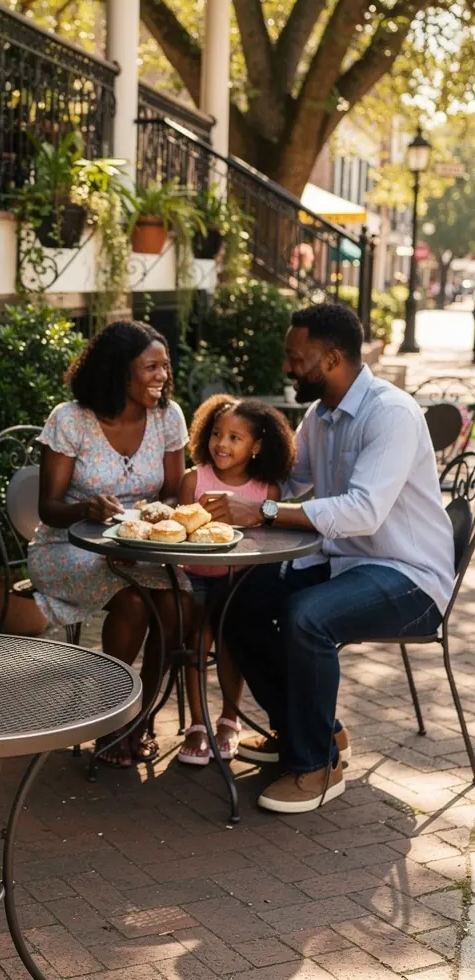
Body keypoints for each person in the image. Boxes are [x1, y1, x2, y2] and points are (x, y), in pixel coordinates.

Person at [209, 303, 453, 813]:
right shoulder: (321, 416)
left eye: (297, 358)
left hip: (408, 573)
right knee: (238, 602)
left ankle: (317, 766)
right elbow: (292, 483)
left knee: (307, 618)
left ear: (333, 358)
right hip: (347, 560)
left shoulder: (390, 414)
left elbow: (362, 512)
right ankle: (311, 731)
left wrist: (264, 509)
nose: (288, 368)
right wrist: (216, 491)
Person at [28, 320, 190, 768]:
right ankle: (112, 719)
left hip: (141, 548)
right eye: (150, 367)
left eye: (165, 366)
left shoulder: (167, 418)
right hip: (68, 546)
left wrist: (151, 516)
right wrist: (88, 510)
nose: (162, 376)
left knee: (180, 608)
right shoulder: (71, 419)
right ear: (120, 371)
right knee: (135, 602)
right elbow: (49, 507)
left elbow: (176, 492)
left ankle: (143, 715)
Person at [176, 396, 296, 767]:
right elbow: (180, 533)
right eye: (216, 434)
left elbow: (266, 548)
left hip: (238, 583)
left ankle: (229, 718)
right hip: (194, 578)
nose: (221, 444)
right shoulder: (194, 478)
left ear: (257, 446)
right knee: (196, 637)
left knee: (233, 637)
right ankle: (197, 724)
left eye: (234, 437)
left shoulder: (266, 493)